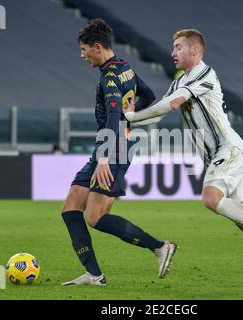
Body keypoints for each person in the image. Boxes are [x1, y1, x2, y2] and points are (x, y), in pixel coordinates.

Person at [124, 29, 243, 289]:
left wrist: (133, 118)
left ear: (195, 50)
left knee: (211, 199)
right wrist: (131, 117)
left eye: (178, 47)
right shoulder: (179, 81)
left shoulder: (205, 74)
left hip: (228, 149)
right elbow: (159, 114)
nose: (172, 53)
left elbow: (175, 104)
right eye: (173, 47)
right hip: (217, 156)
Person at [61, 18, 177, 286]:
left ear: (97, 47)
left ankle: (160, 247)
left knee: (95, 217)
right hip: (110, 148)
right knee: (70, 209)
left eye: (83, 49)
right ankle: (94, 274)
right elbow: (148, 95)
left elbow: (113, 116)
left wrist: (104, 157)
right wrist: (132, 114)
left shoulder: (110, 77)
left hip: (112, 151)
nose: (82, 55)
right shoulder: (125, 68)